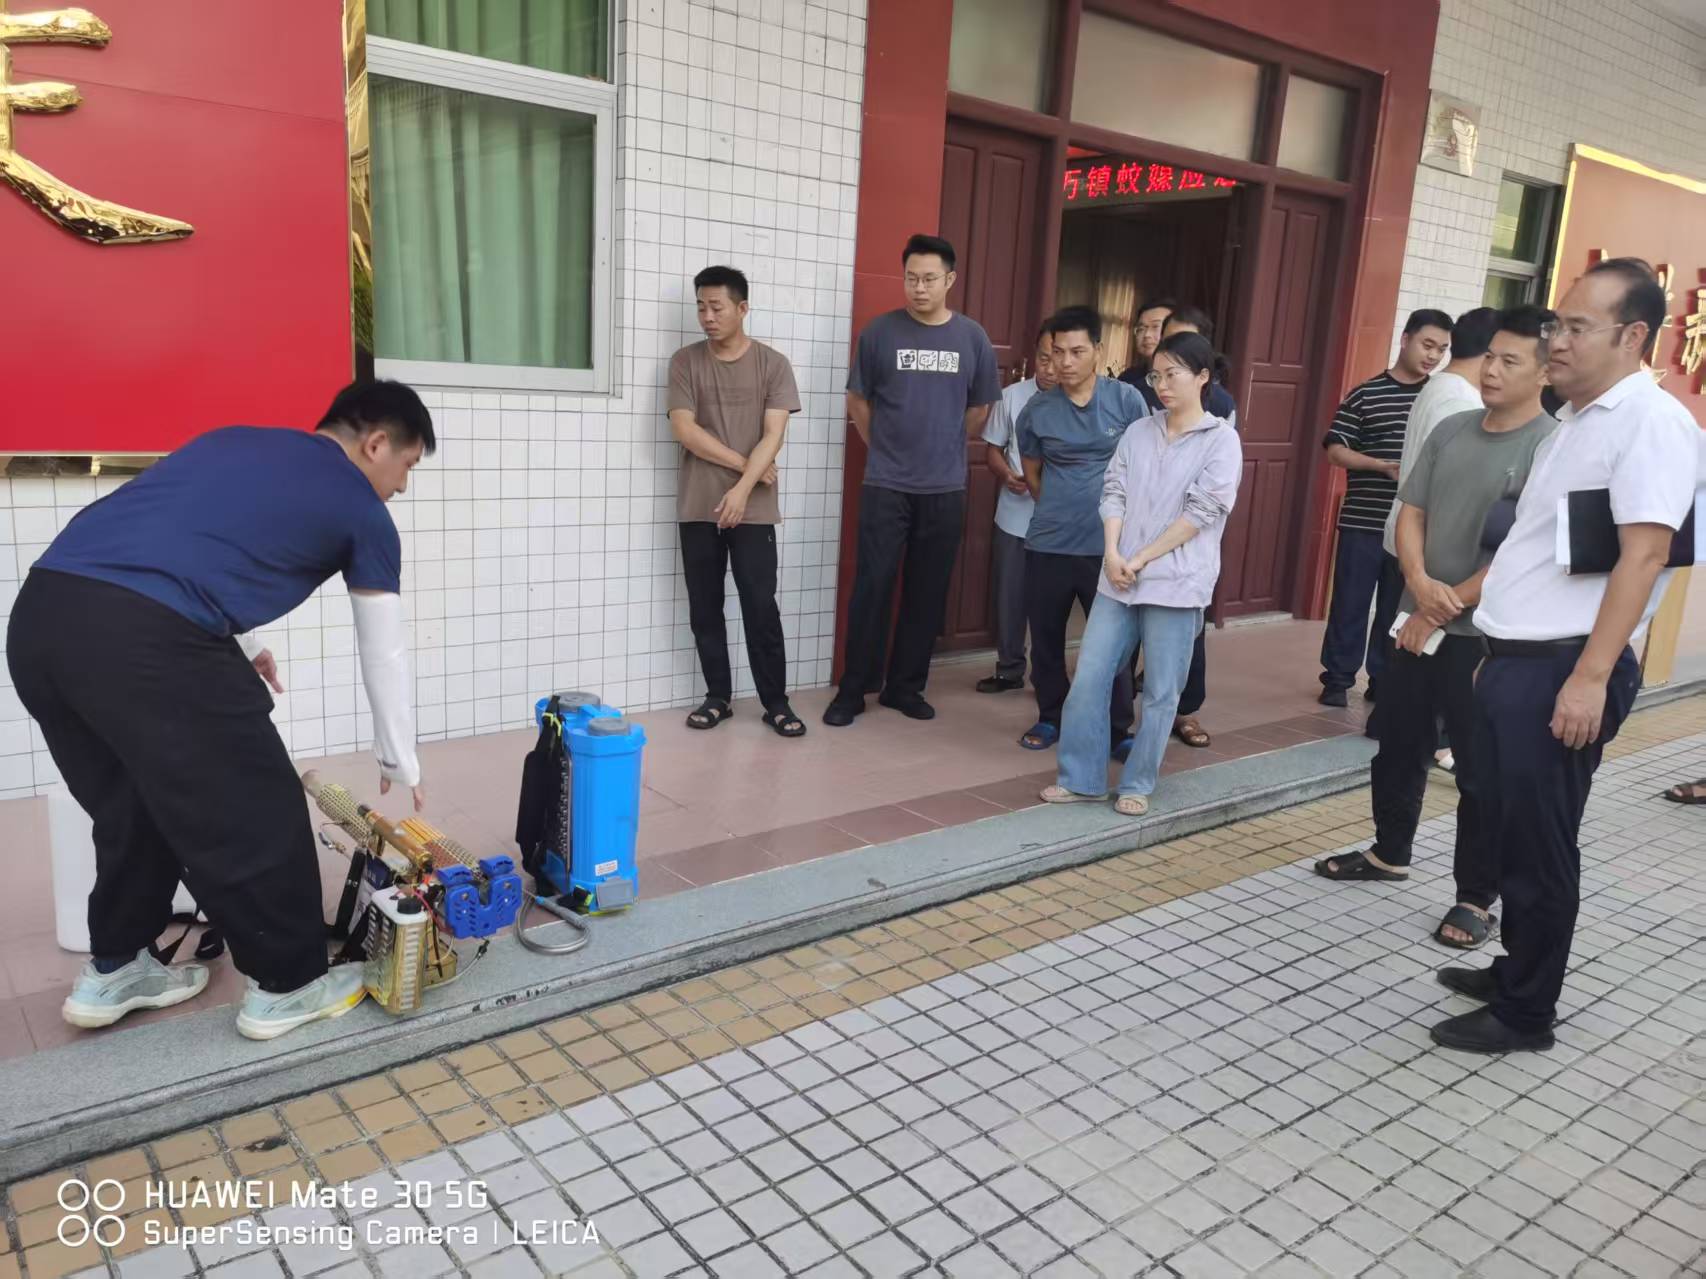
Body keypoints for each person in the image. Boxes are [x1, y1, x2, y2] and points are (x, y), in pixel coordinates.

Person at [9, 381, 434, 1041]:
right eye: (407, 464)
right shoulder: (362, 508)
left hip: (42, 619)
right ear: (376, 443)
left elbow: (176, 541)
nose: (402, 485)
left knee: (133, 802)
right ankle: (289, 985)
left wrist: (248, 643)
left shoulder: (232, 442)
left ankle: (117, 967)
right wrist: (398, 756)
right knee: (257, 802)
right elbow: (384, 648)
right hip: (150, 639)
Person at [1431, 259, 1701, 1054]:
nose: (1558, 340)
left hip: (1564, 668)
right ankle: (1517, 968)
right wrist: (1496, 649)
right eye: (1558, 323)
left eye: (1578, 327)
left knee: (1540, 845)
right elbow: (1541, 549)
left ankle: (1526, 1013)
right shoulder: (1580, 419)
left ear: (1634, 335)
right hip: (1520, 661)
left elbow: (1644, 555)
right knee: (1509, 830)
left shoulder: (1649, 422)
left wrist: (1587, 676)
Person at [1317, 306, 1558, 952]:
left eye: (1511, 361)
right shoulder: (1452, 429)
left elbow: (1522, 550)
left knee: (1480, 769)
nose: (1492, 370)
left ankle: (1475, 896)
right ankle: (1389, 851)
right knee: (1398, 740)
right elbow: (1411, 511)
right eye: (1490, 357)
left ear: (1544, 372)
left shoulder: (1551, 446)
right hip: (1417, 616)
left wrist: (1437, 606)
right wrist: (1419, 584)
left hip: (1485, 638)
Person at [1042, 331, 1242, 816]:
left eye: (1173, 374)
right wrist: (1113, 551)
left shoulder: (1221, 440)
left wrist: (1141, 557)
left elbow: (1201, 513)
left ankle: (1137, 782)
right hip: (1119, 577)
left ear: (1203, 377)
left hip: (1175, 584)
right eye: (1156, 376)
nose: (1162, 385)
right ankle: (1082, 779)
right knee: (1089, 677)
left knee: (1160, 692)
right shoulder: (1139, 431)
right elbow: (1114, 490)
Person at [826, 234, 1001, 726]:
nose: (918, 288)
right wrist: (882, 445)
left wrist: (944, 443)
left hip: (944, 487)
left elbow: (979, 408)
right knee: (873, 587)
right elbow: (858, 400)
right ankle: (854, 689)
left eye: (928, 279)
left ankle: (905, 688)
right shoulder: (879, 333)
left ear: (950, 280)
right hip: (886, 485)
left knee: (927, 591)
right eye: (910, 278)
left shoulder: (972, 338)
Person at [668, 265, 805, 738]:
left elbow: (774, 434)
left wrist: (743, 489)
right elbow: (685, 430)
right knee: (705, 606)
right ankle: (718, 697)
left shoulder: (773, 364)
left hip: (755, 508)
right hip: (699, 504)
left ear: (742, 308)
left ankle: (776, 703)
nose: (707, 316)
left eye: (716, 307)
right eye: (700, 307)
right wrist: (748, 467)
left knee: (760, 605)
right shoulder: (685, 362)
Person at [1014, 307, 1147, 753]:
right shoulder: (1037, 410)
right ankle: (1050, 716)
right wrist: (1059, 506)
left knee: (1114, 645)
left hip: (1109, 549)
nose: (1065, 362)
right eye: (1057, 352)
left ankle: (1117, 730)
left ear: (1098, 351)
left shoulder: (1126, 400)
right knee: (1046, 641)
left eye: (1076, 351)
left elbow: (1144, 466)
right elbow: (1032, 472)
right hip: (1049, 543)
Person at [1377, 305, 1500, 761]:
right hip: (1430, 550)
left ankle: (1399, 727)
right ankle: (1436, 742)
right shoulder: (1463, 403)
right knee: (1426, 657)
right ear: (1488, 354)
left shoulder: (1438, 388)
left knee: (1404, 651)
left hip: (1411, 541)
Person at [1317, 309, 1454, 708]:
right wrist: (1380, 466)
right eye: (1427, 345)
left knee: (1396, 607)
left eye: (1442, 349)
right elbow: (1335, 449)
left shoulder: (1439, 398)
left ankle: (1382, 678)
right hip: (1363, 520)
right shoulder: (1366, 393)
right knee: (1350, 603)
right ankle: (1337, 679)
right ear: (1405, 339)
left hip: (1412, 528)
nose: (1433, 356)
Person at [1133, 305, 1240, 750]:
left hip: (1184, 541)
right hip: (1134, 538)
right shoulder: (1132, 385)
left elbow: (1212, 493)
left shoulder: (1221, 408)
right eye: (1163, 337)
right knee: (1122, 635)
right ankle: (1119, 712)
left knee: (1185, 634)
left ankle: (1185, 709)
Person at [977, 328, 1055, 694]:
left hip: (1059, 522)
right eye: (1043, 358)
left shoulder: (1082, 402)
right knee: (1010, 598)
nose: (1050, 368)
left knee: (1050, 602)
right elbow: (993, 450)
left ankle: (1048, 676)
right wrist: (1007, 475)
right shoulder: (1011, 397)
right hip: (1014, 515)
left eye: (1058, 358)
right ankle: (1009, 669)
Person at [1117, 297, 1175, 392]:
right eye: (1141, 329)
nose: (1147, 335)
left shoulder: (1190, 380)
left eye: (1155, 326)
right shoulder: (1127, 379)